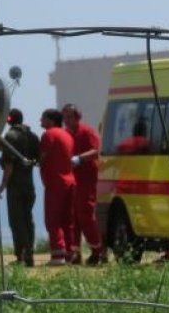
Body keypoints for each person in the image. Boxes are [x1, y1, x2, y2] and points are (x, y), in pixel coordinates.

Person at [0, 108, 40, 267]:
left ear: (9, 120)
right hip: (29, 185)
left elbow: (9, 165)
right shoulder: (33, 136)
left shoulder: (11, 137)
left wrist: (2, 185)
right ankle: (30, 252)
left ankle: (23, 254)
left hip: (15, 186)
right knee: (28, 219)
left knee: (17, 221)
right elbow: (38, 160)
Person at [62, 103, 103, 266]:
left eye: (69, 116)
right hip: (72, 179)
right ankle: (75, 253)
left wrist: (79, 158)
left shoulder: (86, 132)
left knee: (85, 214)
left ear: (77, 117)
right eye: (64, 117)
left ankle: (98, 251)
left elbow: (95, 151)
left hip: (87, 179)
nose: (66, 120)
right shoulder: (66, 134)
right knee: (73, 218)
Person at [38, 108, 76, 266]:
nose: (40, 121)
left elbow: (43, 156)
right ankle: (69, 253)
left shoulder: (48, 135)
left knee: (53, 220)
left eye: (43, 118)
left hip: (55, 183)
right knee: (67, 220)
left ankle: (58, 255)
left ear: (51, 120)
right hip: (70, 181)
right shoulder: (67, 135)